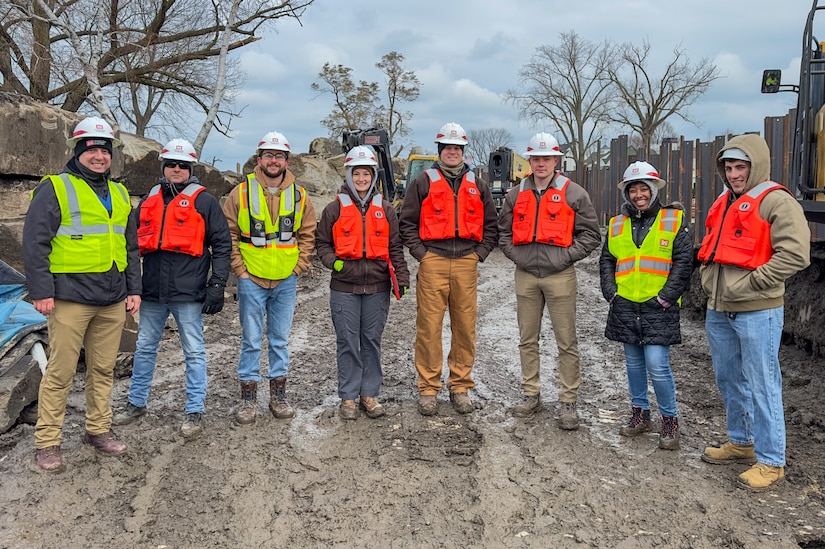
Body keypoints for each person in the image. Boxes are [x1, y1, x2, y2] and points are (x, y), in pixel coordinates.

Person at [22, 116, 142, 472]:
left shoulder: (119, 193)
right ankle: (47, 442)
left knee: (103, 369)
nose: (98, 155)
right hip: (69, 298)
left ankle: (97, 429)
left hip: (111, 298)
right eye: (91, 148)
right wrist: (41, 290)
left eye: (103, 149)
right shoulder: (55, 187)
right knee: (60, 372)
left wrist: (133, 289)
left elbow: (130, 247)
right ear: (78, 150)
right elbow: (35, 242)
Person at [698, 134, 810, 490]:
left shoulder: (776, 201)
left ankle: (772, 461)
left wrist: (756, 283)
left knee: (762, 383)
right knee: (729, 379)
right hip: (720, 307)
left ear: (755, 165)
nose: (733, 174)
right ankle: (742, 442)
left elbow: (795, 254)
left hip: (757, 310)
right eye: (729, 168)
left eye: (740, 167)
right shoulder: (724, 200)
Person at [112, 139, 231, 439]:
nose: (176, 169)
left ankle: (195, 409)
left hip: (188, 293)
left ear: (190, 168)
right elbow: (130, 242)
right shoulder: (150, 199)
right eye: (171, 164)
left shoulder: (205, 202)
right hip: (151, 290)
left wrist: (217, 285)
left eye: (182, 165)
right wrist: (130, 284)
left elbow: (222, 246)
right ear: (163, 167)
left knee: (193, 350)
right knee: (145, 347)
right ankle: (136, 402)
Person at [498, 132, 601, 430]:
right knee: (527, 339)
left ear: (556, 161)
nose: (541, 164)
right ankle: (531, 394)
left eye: (546, 158)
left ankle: (568, 401)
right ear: (529, 161)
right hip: (526, 275)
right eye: (536, 158)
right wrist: (518, 257)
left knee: (566, 341)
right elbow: (503, 233)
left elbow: (592, 235)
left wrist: (565, 257)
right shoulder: (515, 195)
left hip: (560, 275)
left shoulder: (574, 193)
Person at [399, 122, 498, 416]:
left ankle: (460, 386)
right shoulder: (424, 182)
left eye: (457, 148)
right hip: (434, 261)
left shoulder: (477, 185)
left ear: (463, 152)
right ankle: (429, 388)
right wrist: (422, 255)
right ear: (439, 150)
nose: (452, 152)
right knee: (428, 328)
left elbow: (491, 224)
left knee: (465, 328)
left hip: (467, 261)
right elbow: (407, 222)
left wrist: (479, 254)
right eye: (447, 148)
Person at [222, 131, 316, 424]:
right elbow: (229, 234)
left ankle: (278, 395)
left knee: (279, 340)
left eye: (279, 156)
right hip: (251, 279)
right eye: (268, 155)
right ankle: (248, 399)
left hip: (286, 280)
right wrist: (240, 270)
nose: (273, 161)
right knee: (250, 340)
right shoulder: (240, 193)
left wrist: (299, 267)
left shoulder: (300, 195)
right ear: (259, 159)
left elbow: (308, 234)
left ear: (287, 161)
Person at [598, 161, 693, 449]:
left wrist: (666, 295)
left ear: (654, 190)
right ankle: (640, 414)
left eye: (644, 189)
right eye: (633, 189)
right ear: (626, 193)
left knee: (658, 365)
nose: (639, 194)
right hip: (625, 303)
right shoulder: (616, 224)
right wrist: (610, 291)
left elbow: (684, 261)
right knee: (634, 365)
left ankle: (669, 421)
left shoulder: (673, 220)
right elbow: (607, 260)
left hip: (658, 306)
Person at [315, 145, 410, 420]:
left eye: (366, 174)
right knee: (347, 341)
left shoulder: (387, 210)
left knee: (371, 341)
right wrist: (335, 263)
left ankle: (369, 394)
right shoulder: (334, 209)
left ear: (373, 176)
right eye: (356, 173)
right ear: (349, 175)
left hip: (377, 289)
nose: (361, 179)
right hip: (344, 288)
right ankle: (347, 397)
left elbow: (395, 248)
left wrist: (400, 278)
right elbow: (322, 244)